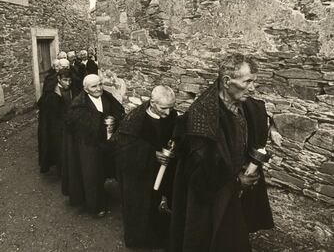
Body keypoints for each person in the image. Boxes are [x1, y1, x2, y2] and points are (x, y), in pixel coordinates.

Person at [169, 54, 276, 252]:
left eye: (255, 81)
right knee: (210, 238)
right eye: (248, 82)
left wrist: (270, 130)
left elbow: (259, 117)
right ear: (227, 81)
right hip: (211, 192)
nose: (253, 88)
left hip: (235, 188)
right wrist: (235, 182)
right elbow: (200, 170)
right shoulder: (202, 115)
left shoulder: (244, 104)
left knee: (234, 233)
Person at [112, 86, 178, 249]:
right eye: (164, 108)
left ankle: (157, 234)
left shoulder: (171, 115)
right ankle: (138, 240)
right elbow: (124, 147)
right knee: (139, 206)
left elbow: (174, 134)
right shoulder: (134, 120)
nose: (168, 113)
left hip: (160, 170)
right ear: (152, 103)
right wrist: (152, 154)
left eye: (171, 107)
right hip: (137, 174)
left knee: (155, 203)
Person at [66, 74, 125, 217]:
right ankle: (96, 205)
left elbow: (118, 111)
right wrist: (102, 120)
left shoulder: (107, 96)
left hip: (108, 141)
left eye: (100, 84)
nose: (99, 88)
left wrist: (114, 118)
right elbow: (81, 125)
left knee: (112, 166)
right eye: (94, 86)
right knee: (92, 174)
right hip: (89, 145)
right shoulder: (78, 104)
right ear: (86, 89)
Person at [37, 59, 73, 175]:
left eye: (69, 80)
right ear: (59, 79)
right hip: (56, 124)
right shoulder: (51, 91)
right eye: (65, 80)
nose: (68, 83)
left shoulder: (73, 88)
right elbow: (47, 111)